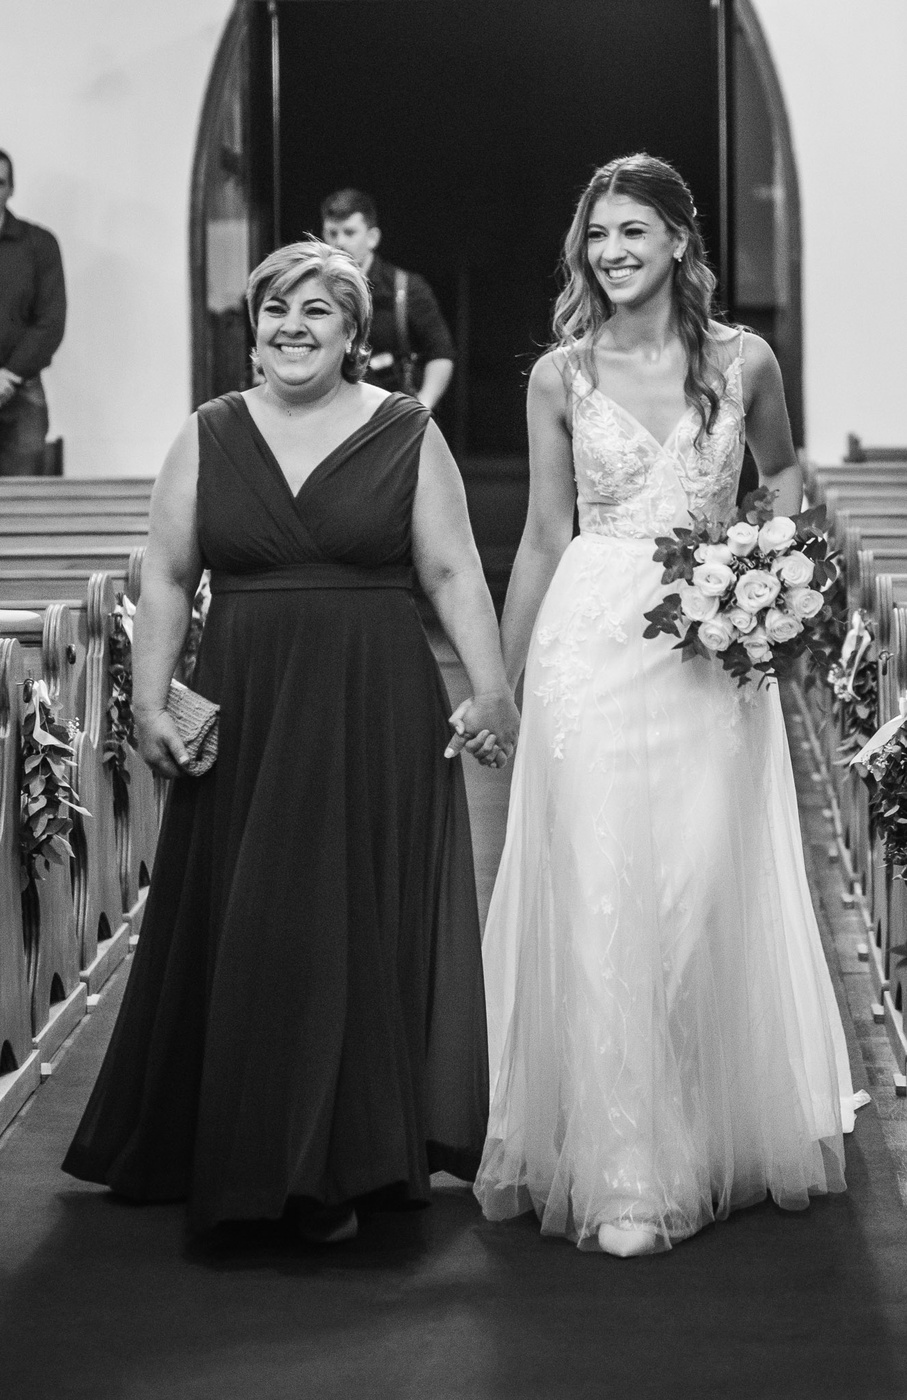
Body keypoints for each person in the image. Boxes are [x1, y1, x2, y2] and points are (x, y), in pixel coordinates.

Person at [63, 238, 518, 1241]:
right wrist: (150, 701)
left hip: (372, 703)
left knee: (348, 918)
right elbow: (169, 575)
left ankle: (341, 1160)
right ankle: (242, 1140)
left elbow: (452, 573)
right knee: (255, 914)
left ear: (355, 333)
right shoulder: (209, 432)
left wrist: (491, 691)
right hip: (251, 700)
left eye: (316, 310)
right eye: (275, 309)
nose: (292, 326)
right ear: (254, 329)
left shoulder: (405, 431)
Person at [471, 154, 864, 1257]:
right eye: (596, 235)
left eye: (632, 231)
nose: (611, 252)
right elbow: (542, 535)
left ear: (679, 240)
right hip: (590, 641)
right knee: (602, 889)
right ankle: (626, 1171)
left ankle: (695, 1121)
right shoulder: (561, 375)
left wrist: (766, 573)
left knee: (692, 886)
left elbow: (781, 474)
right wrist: (498, 683)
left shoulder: (743, 361)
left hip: (710, 645)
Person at [321, 188, 455, 410]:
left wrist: (422, 407)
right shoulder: (316, 290)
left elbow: (441, 353)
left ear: (372, 237)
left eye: (349, 232)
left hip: (393, 414)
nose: (339, 243)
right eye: (332, 233)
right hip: (334, 411)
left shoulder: (405, 288)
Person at [0, 149, 66, 476]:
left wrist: (8, 375)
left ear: (11, 189)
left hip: (22, 390)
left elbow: (50, 322)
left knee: (25, 497)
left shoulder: (39, 244)